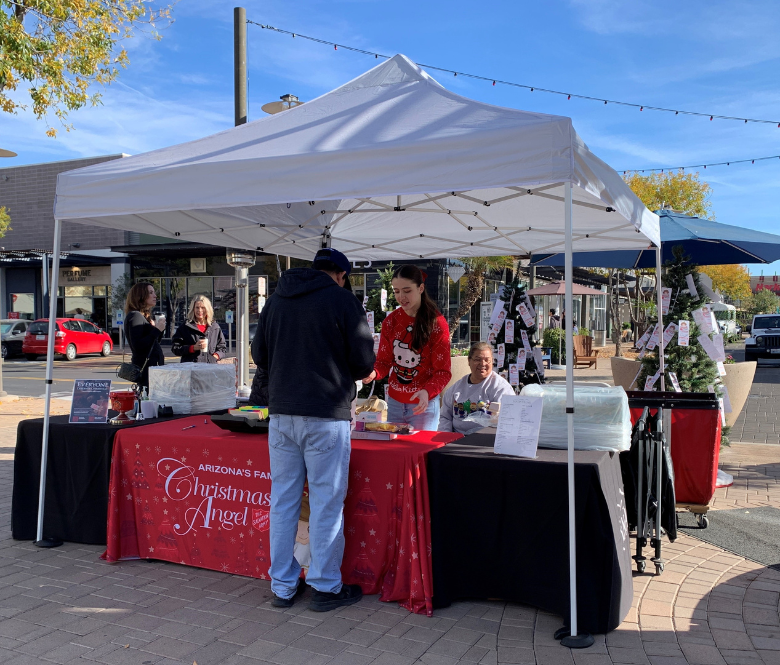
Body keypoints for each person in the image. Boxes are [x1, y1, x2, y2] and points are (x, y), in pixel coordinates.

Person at [252, 247, 375, 612]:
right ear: (340, 274)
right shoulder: (342, 300)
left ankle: (283, 586)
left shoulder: (276, 301)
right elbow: (364, 361)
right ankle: (324, 586)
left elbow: (260, 354)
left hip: (282, 413)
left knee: (284, 501)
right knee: (325, 502)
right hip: (325, 414)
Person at [363, 265, 452, 430]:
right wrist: (373, 373)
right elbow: (383, 362)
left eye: (407, 290)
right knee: (396, 453)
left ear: (421, 288)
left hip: (422, 406)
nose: (401, 297)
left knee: (421, 453)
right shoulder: (390, 322)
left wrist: (427, 392)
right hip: (395, 403)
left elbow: (443, 372)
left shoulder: (437, 323)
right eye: (396, 291)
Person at [439, 342, 514, 434]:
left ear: (492, 361)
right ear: (469, 361)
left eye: (487, 360)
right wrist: (446, 436)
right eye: (477, 359)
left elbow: (508, 420)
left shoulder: (501, 388)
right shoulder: (456, 388)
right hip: (456, 439)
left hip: (485, 441)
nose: (483, 364)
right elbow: (445, 417)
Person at [124, 282, 165, 390]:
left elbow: (154, 343)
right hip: (145, 369)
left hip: (152, 369)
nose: (155, 296)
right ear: (141, 296)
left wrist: (159, 329)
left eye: (154, 292)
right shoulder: (135, 316)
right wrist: (156, 330)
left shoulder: (143, 317)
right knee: (147, 399)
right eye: (150, 293)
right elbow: (138, 345)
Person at [171, 295, 227, 364]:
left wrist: (215, 356)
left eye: (203, 307)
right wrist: (193, 348)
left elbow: (222, 348)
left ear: (207, 309)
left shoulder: (215, 327)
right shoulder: (185, 327)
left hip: (210, 369)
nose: (200, 310)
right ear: (193, 309)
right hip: (191, 369)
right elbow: (175, 348)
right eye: (197, 307)